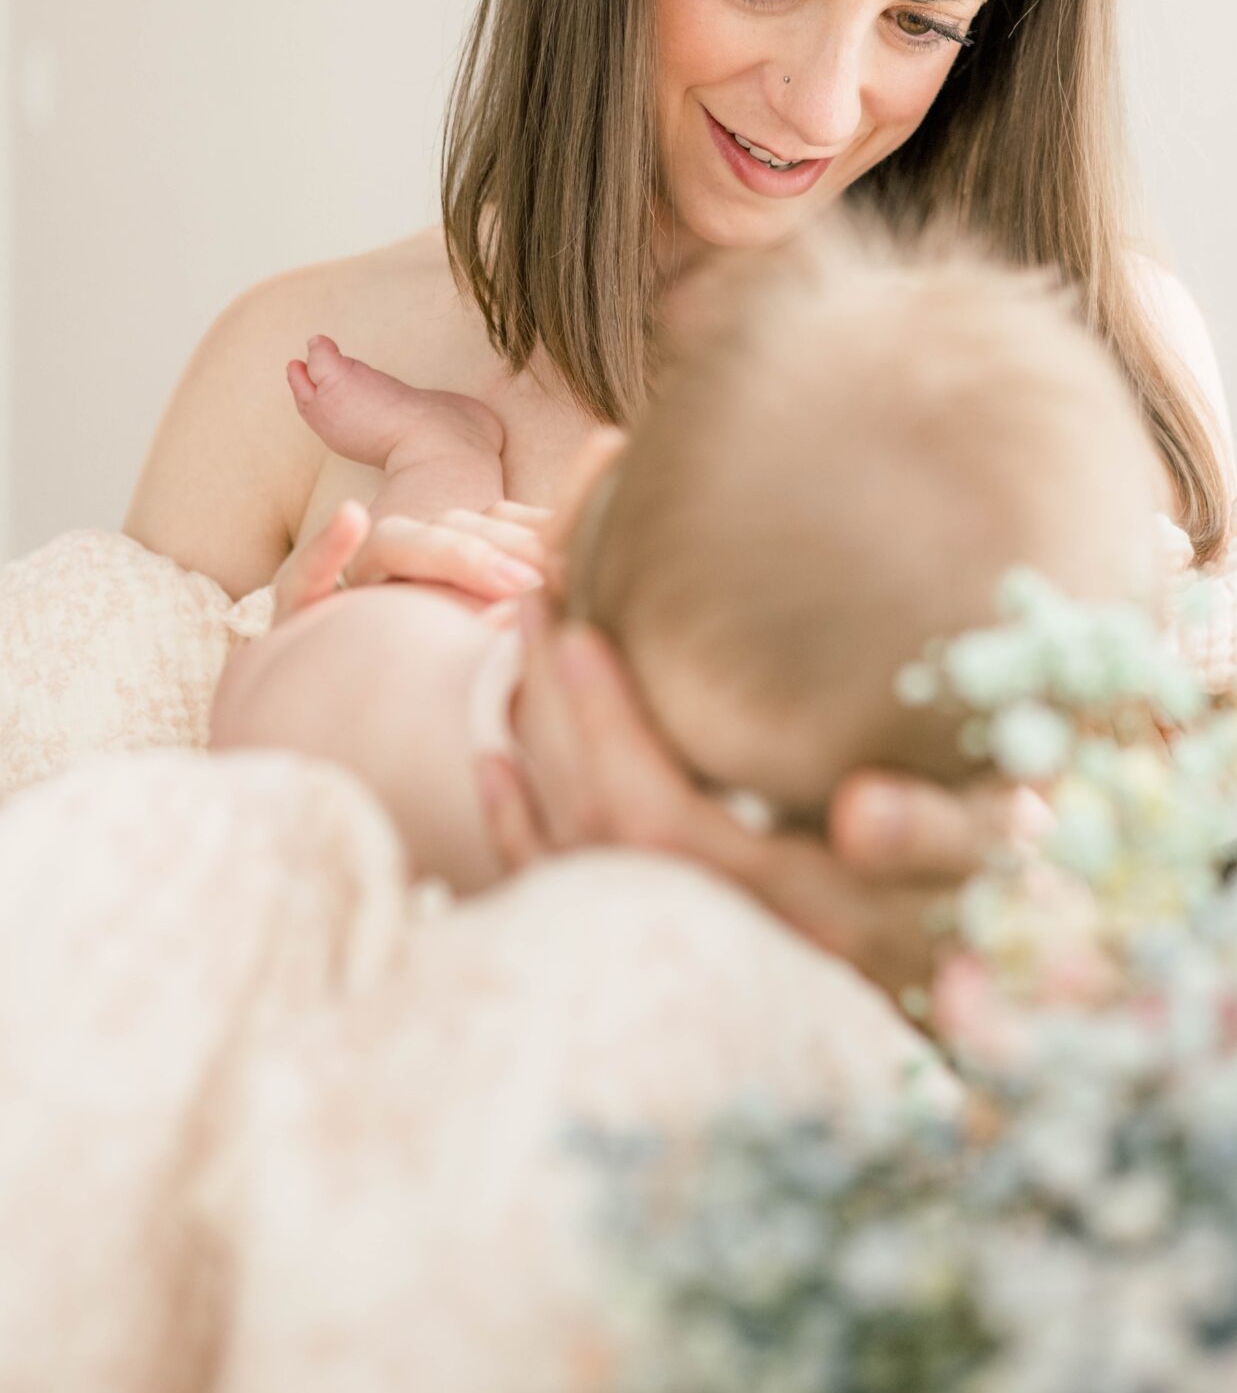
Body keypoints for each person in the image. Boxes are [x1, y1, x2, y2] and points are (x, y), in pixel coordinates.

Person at [123, 0, 1237, 990]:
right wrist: (299, 733)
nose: (825, 103)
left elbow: (1164, 965)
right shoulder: (301, 372)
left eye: (922, 24)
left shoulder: (1090, 369)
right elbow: (91, 928)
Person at [209, 215, 1172, 908]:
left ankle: (441, 461)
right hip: (424, 661)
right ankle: (437, 449)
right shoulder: (457, 728)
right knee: (412, 586)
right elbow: (268, 713)